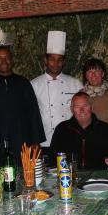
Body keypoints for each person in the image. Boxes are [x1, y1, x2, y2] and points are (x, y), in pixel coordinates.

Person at [0, 47, 45, 167]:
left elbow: (33, 113)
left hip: (21, 141)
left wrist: (35, 142)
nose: (3, 61)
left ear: (12, 61)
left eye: (6, 58)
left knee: (21, 175)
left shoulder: (23, 83)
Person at [31, 31, 82, 159]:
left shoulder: (75, 84)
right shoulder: (33, 85)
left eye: (59, 60)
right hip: (44, 142)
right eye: (52, 59)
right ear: (46, 60)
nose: (56, 63)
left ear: (63, 62)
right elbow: (29, 116)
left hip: (70, 140)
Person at [49, 92, 108, 170]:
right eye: (77, 106)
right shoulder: (62, 129)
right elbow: (52, 158)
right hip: (69, 177)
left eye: (85, 105)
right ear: (72, 109)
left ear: (91, 107)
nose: (82, 110)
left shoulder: (106, 129)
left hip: (97, 178)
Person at [81, 58, 108, 140]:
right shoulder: (80, 95)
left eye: (97, 71)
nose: (93, 75)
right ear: (86, 76)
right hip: (87, 143)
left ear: (103, 73)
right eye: (90, 71)